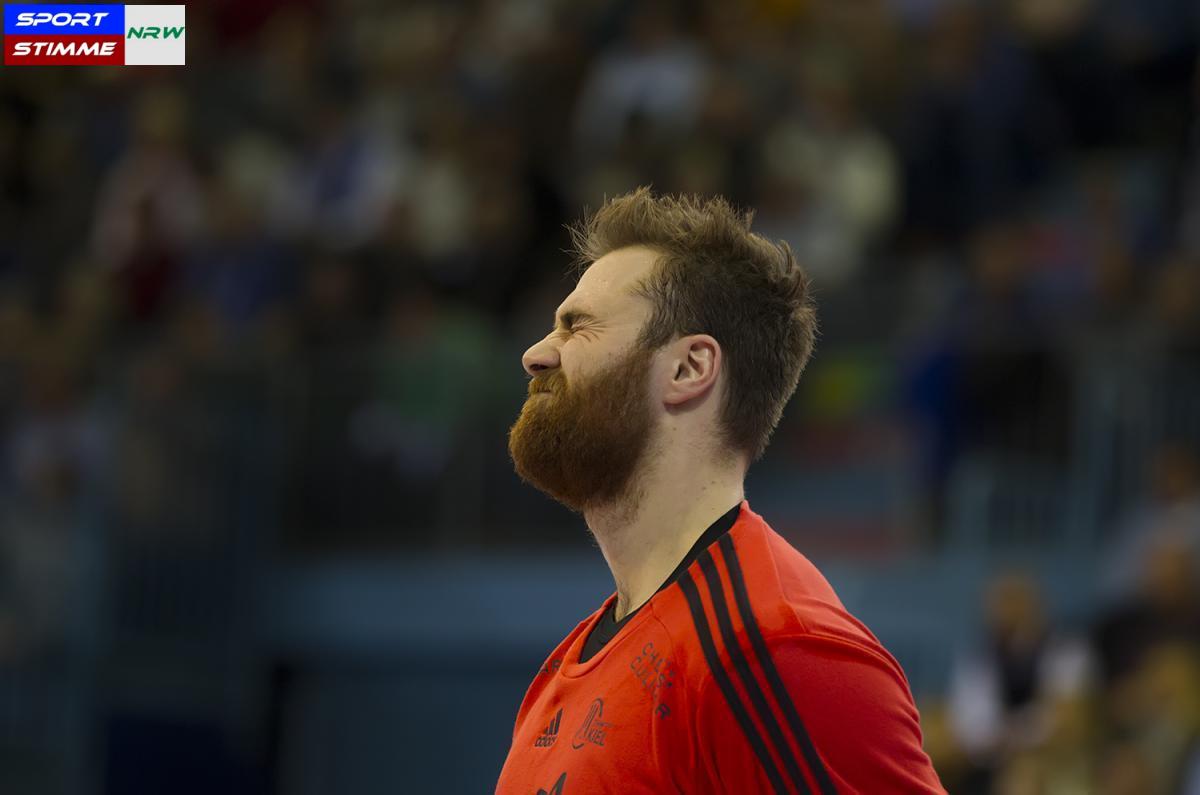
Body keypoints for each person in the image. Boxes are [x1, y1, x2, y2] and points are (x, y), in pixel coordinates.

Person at [495, 188, 944, 794]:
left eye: (578, 326)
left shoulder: (777, 648)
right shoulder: (568, 665)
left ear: (689, 368)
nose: (535, 354)